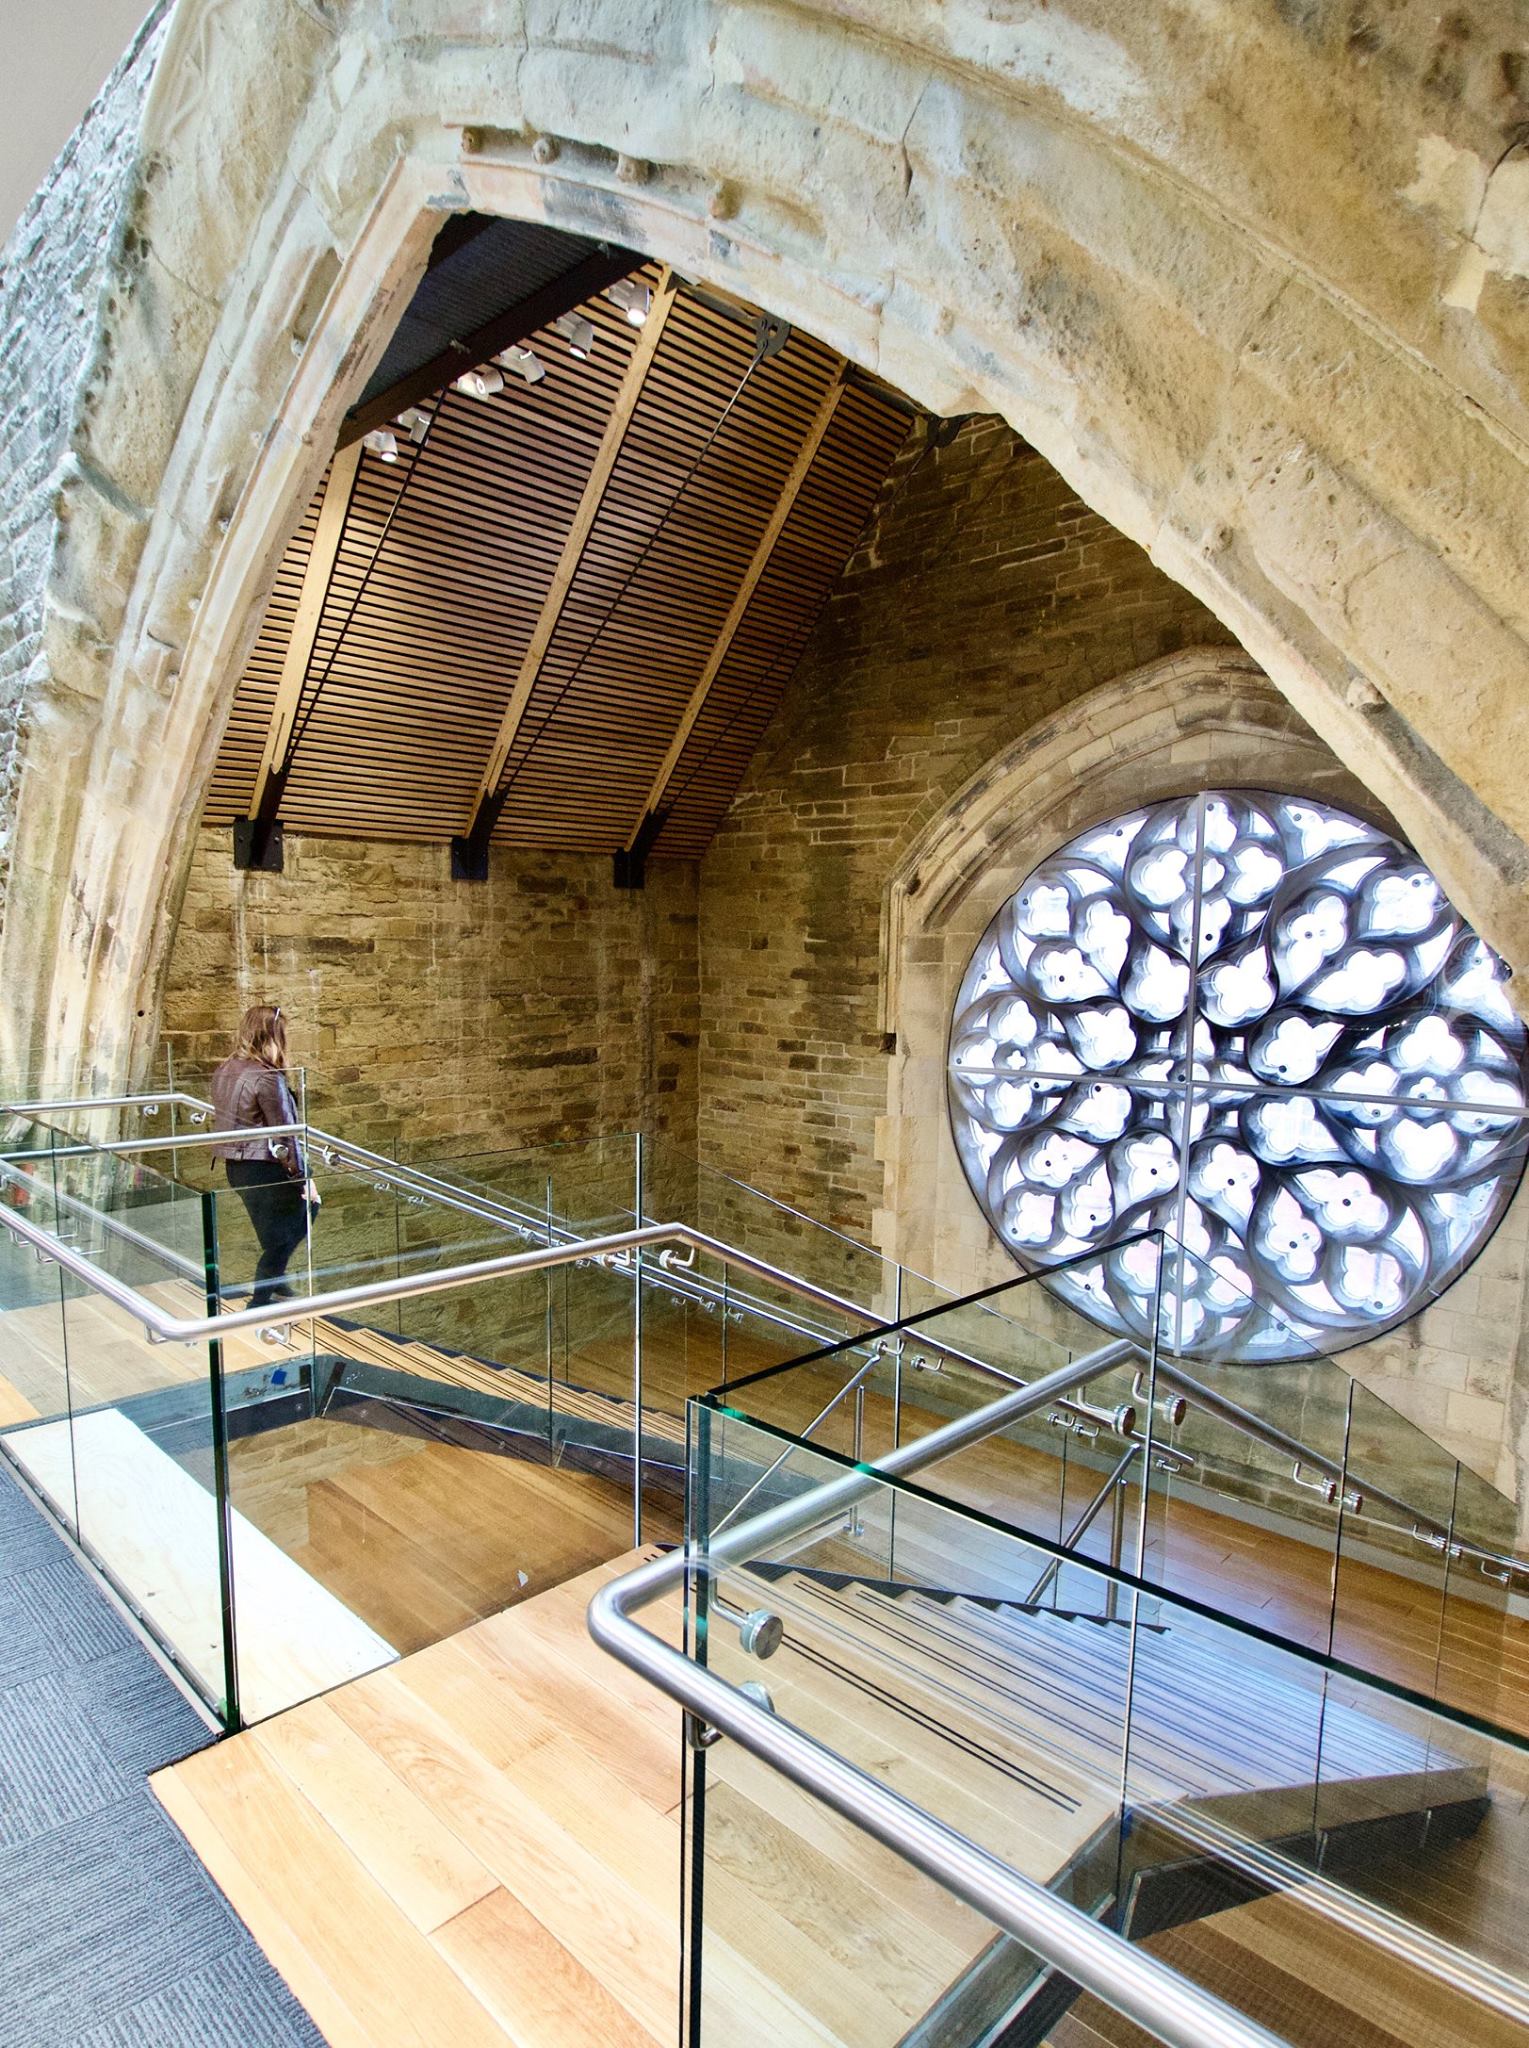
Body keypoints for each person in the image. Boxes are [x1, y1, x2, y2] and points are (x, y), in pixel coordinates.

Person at [210, 1003, 314, 1308]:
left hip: (235, 1167)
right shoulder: (267, 1076)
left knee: (273, 1234)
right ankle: (259, 1301)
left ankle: (276, 1281)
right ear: (274, 1035)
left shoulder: (226, 1068)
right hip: (265, 1167)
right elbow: (286, 1134)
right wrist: (302, 1178)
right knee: (303, 1215)